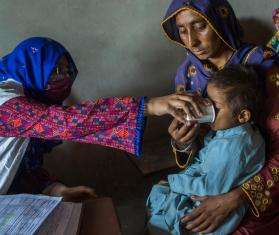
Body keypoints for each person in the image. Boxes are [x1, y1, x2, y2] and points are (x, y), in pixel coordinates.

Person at [0, 37, 195, 202]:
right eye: (55, 72)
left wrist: (56, 190)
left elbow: (20, 166)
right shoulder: (6, 101)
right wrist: (147, 106)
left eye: (66, 71)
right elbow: (65, 122)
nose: (63, 79)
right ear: (31, 68)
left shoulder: (28, 100)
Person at [161, 0, 279, 234]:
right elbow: (202, 152)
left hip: (259, 182)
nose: (192, 41)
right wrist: (182, 143)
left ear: (220, 21)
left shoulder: (263, 64)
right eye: (183, 30)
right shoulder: (187, 75)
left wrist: (238, 197)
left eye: (200, 26)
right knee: (168, 215)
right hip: (212, 178)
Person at [146, 65, 265, 235]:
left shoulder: (234, 146)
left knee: (162, 206)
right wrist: (181, 180)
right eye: (206, 100)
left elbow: (210, 188)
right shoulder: (229, 131)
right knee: (160, 195)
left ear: (243, 116)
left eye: (215, 107)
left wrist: (175, 182)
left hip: (212, 207)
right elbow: (202, 162)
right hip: (205, 189)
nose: (207, 108)